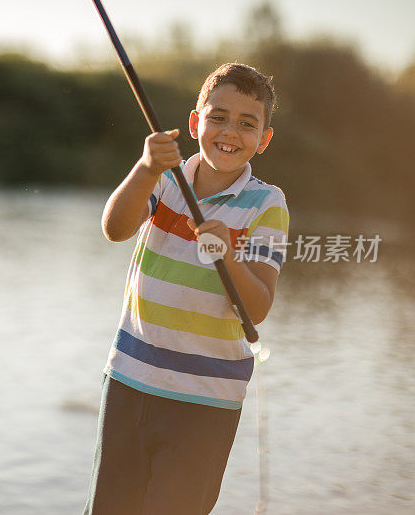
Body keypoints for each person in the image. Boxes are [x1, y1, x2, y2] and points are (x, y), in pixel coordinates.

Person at [84, 62, 289, 515]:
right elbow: (115, 229)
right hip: (130, 380)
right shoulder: (165, 176)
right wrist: (144, 166)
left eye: (246, 123)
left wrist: (227, 255)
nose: (229, 131)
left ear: (264, 139)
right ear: (196, 123)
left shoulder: (267, 204)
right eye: (218, 117)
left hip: (205, 400)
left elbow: (257, 307)